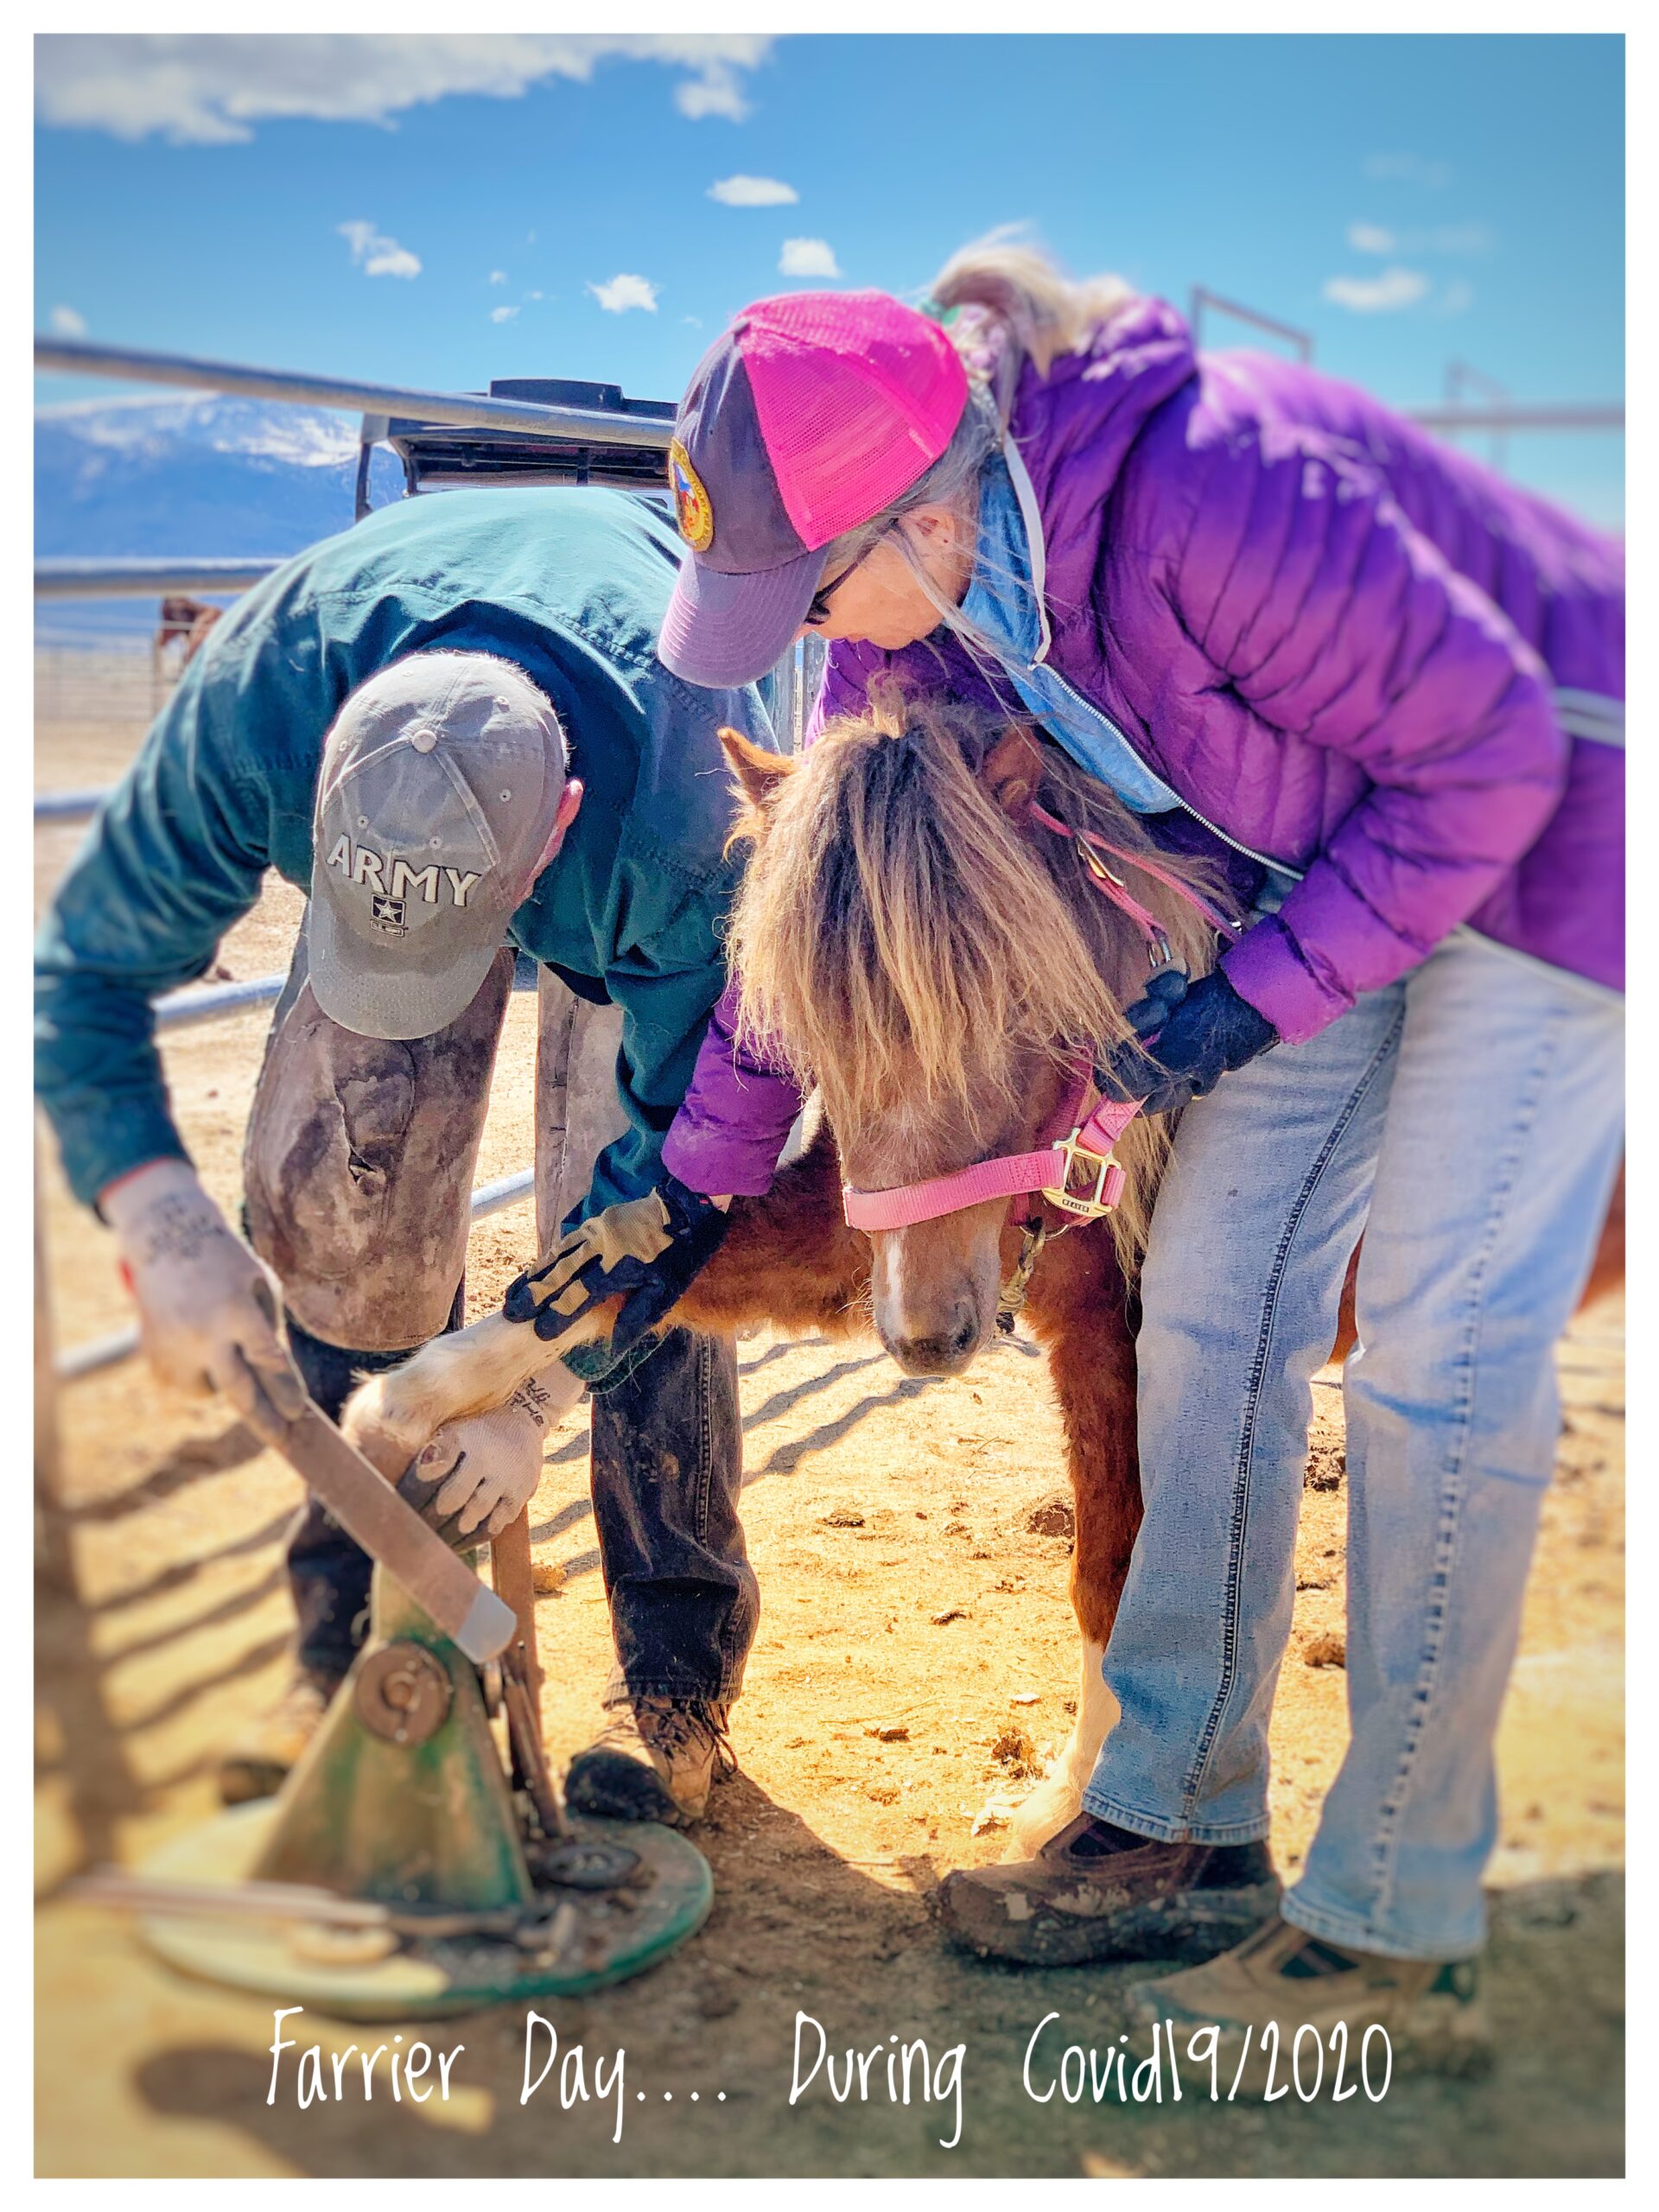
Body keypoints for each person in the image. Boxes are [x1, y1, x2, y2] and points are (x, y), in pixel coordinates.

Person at [620, 243, 1623, 2061]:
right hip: (1325, 882)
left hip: (1551, 817)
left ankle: (1395, 1915)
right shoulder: (893, 635)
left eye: (808, 585)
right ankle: (1179, 1820)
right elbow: (823, 932)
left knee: (1432, 1345)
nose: (806, 640)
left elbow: (1481, 760)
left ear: (921, 510)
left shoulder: (1205, 489)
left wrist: (1242, 1008)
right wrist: (695, 1180)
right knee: (1211, 1309)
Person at [35, 485, 779, 1826]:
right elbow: (83, 975)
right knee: (340, 1198)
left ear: (553, 826)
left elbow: (695, 1159)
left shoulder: (686, 831)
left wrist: (532, 1385)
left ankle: (670, 1685)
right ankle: (348, 1647)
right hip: (429, 808)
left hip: (628, 847)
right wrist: (154, 1210)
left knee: (625, 1229)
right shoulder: (255, 711)